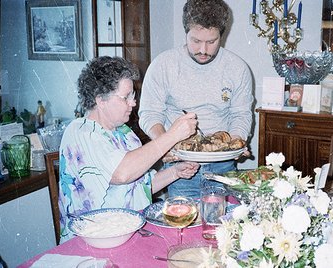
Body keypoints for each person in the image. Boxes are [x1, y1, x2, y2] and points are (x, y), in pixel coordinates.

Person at [58, 56, 200, 243]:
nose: (133, 103)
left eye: (133, 96)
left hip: (130, 234)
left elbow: (141, 186)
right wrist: (172, 135)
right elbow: (122, 173)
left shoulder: (125, 133)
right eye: (126, 97)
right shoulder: (82, 132)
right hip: (91, 242)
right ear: (101, 100)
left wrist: (175, 173)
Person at [138, 0, 254, 198]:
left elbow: (241, 114)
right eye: (195, 41)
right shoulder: (163, 65)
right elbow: (149, 114)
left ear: (221, 35)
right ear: (186, 33)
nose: (203, 50)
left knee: (222, 223)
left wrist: (237, 141)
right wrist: (163, 145)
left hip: (223, 164)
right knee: (183, 221)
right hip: (179, 164)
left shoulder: (238, 68)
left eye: (211, 42)